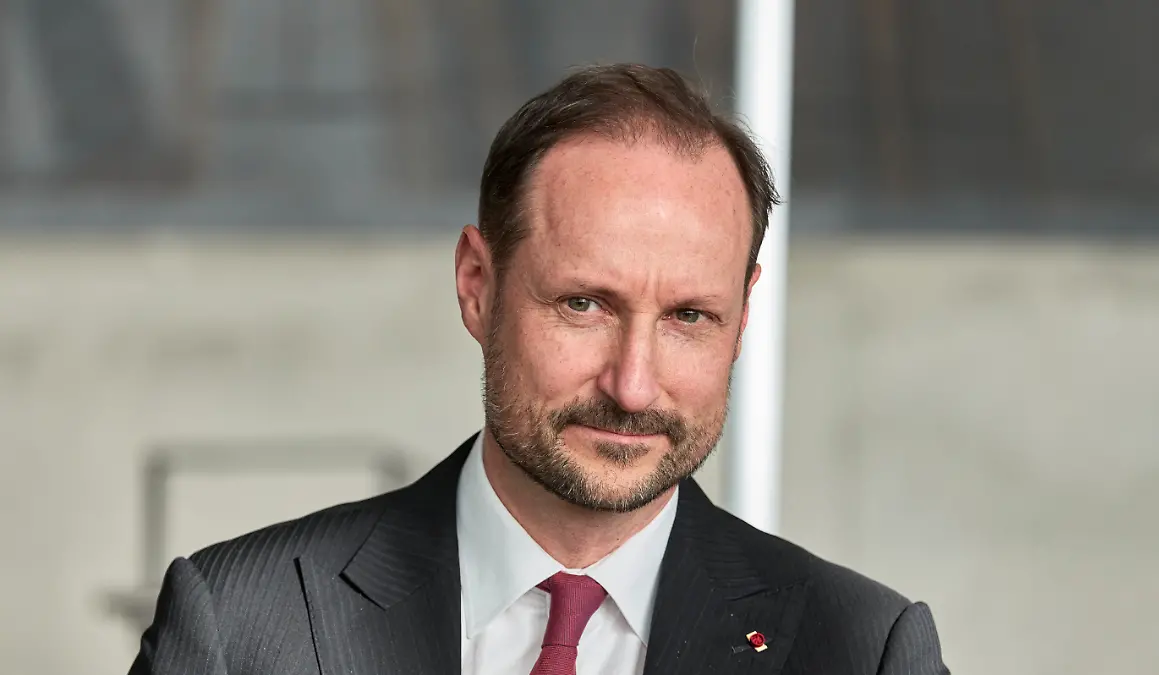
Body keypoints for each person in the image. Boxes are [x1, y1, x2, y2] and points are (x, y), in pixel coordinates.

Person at [129, 64, 950, 675]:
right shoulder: (240, 624)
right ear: (476, 287)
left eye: (688, 317)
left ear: (742, 316)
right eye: (583, 304)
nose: (632, 385)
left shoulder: (864, 649)